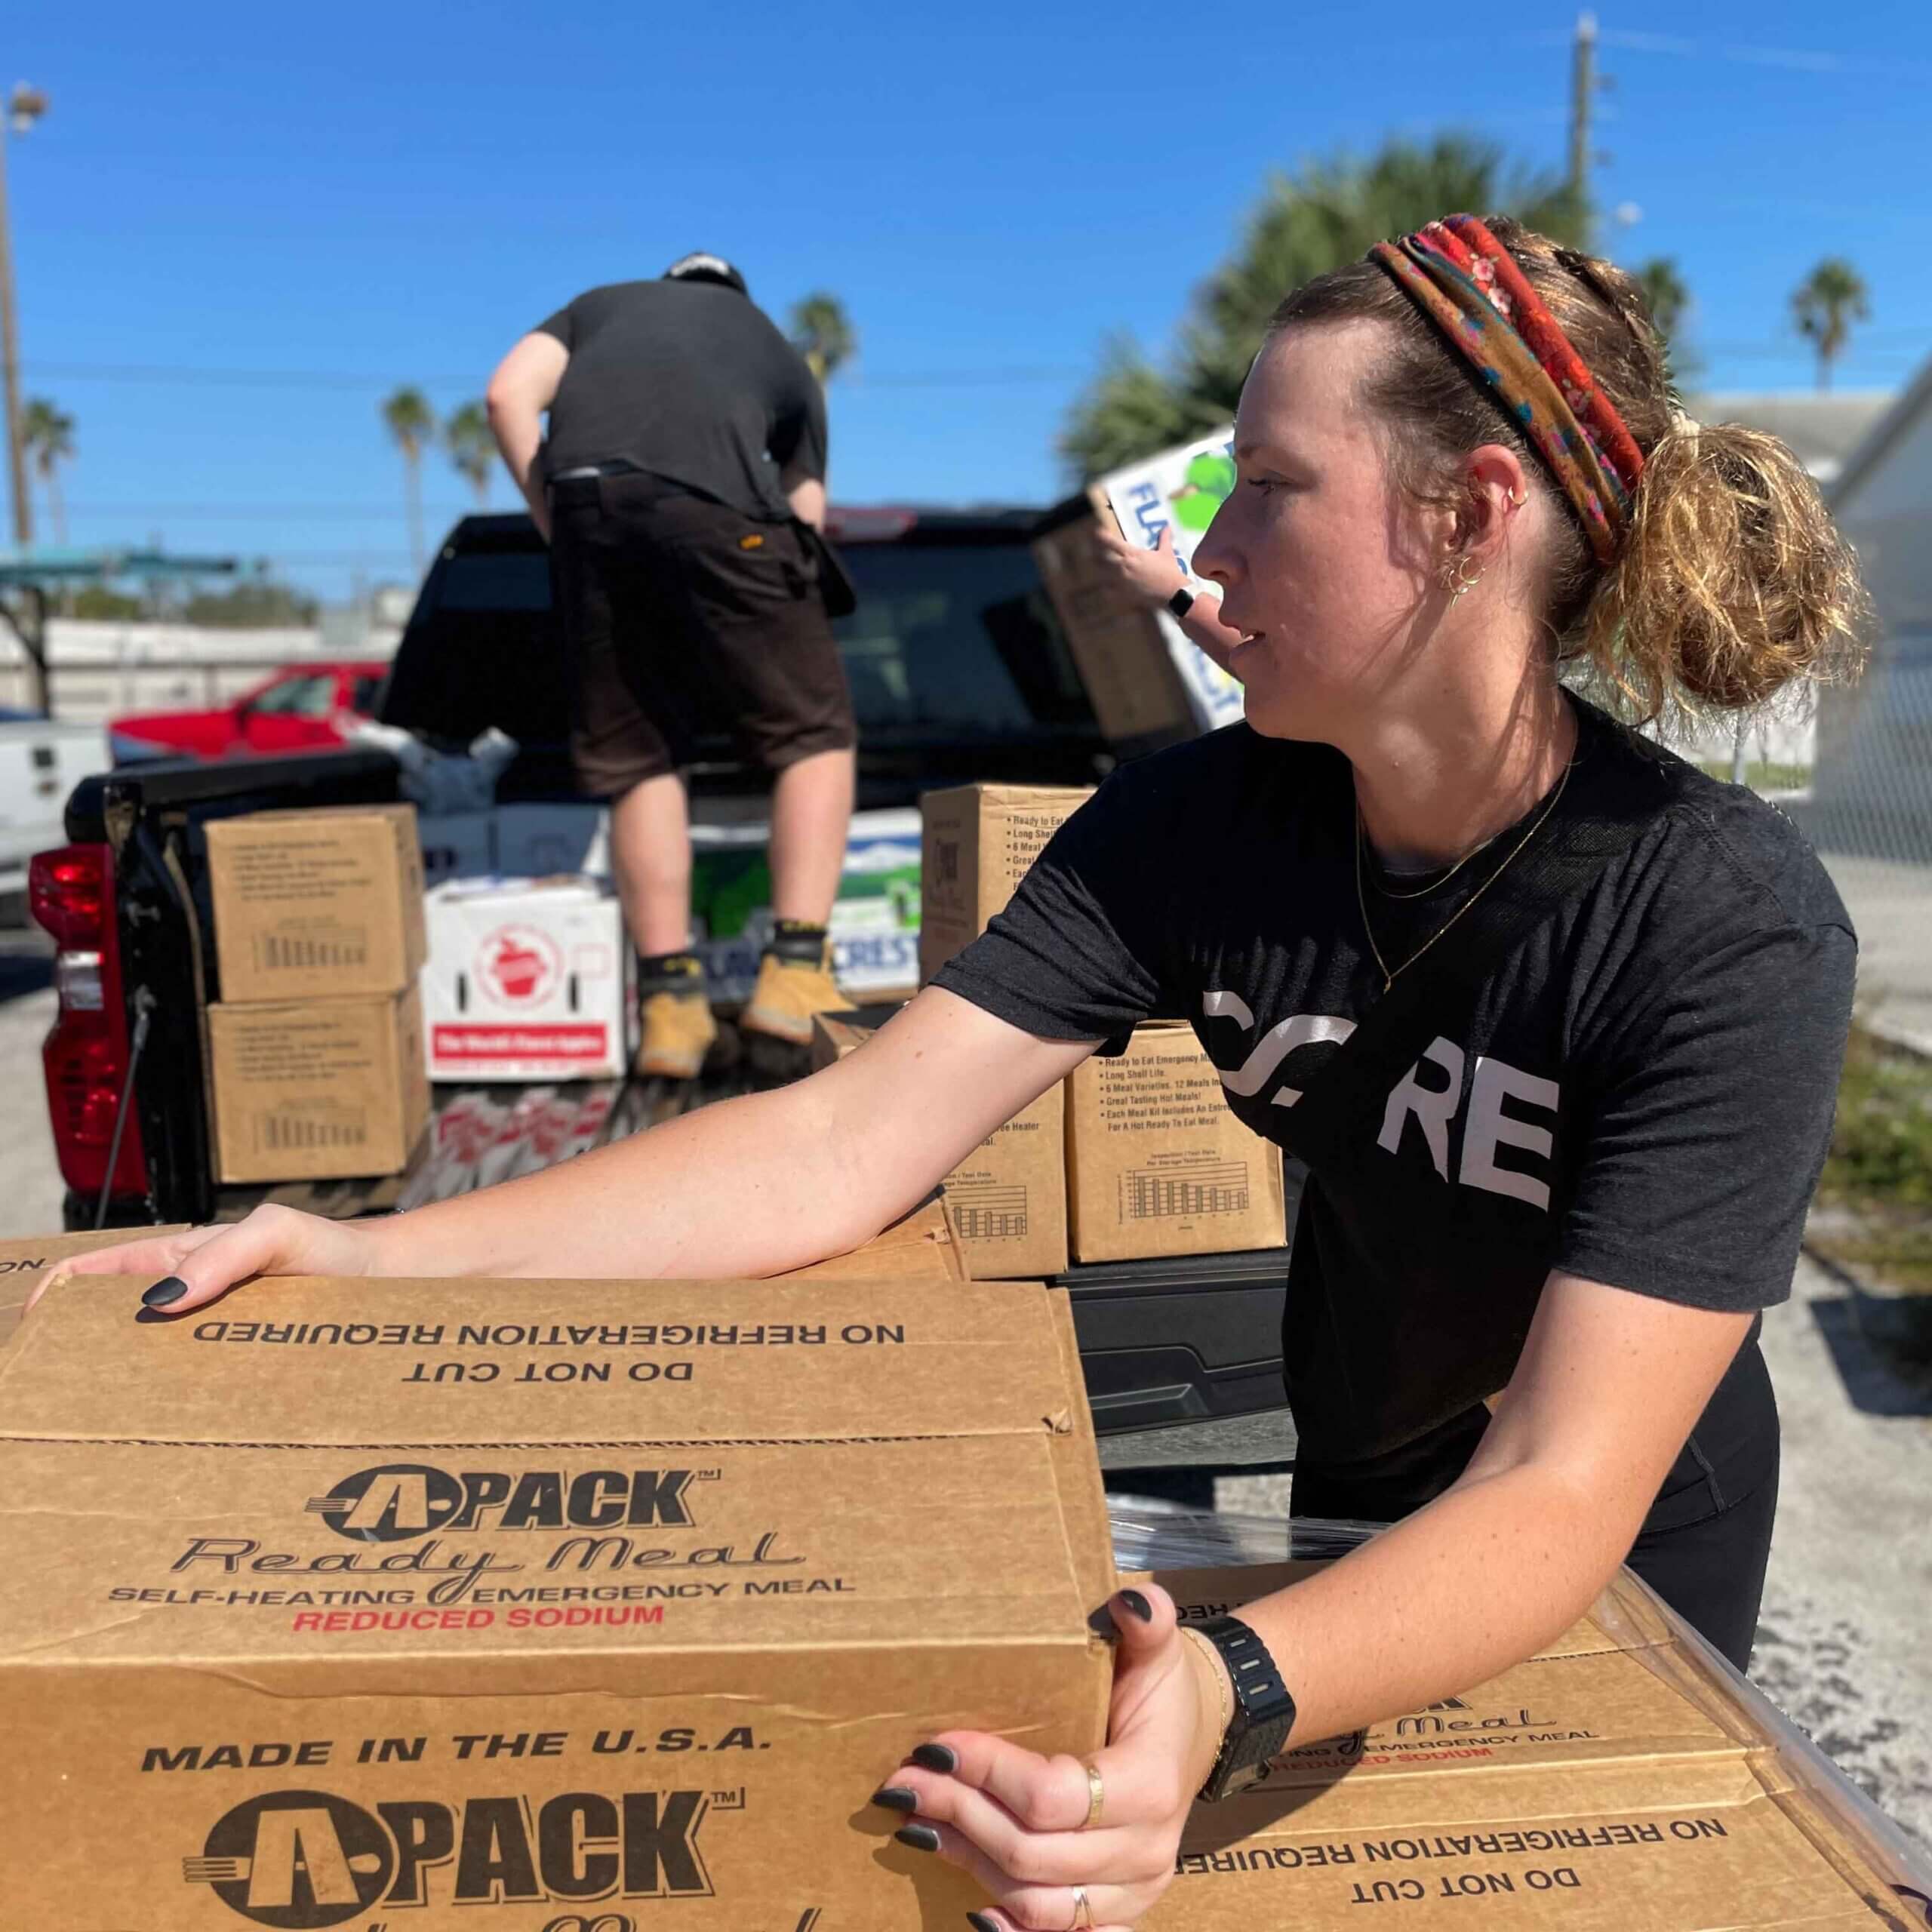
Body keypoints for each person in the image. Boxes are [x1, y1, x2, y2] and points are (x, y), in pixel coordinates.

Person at [47, 214, 1866, 1932]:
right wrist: (366, 1251)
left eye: (1269, 492)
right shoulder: (1187, 822)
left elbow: (1558, 1472)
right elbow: (842, 1136)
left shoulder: (1715, 919)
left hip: (1614, 1541)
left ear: (1467, 516)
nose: (1204, 552)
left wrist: (1227, 1683)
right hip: (1356, 1470)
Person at [485, 251, 859, 1077]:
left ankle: (670, 1011)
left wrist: (556, 520)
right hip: (725, 515)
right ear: (733, 294)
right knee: (812, 736)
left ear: (668, 284)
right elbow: (804, 515)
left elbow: (507, 394)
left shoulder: (595, 304)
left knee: (640, 753)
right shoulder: (772, 346)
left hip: (587, 511)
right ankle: (793, 977)